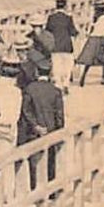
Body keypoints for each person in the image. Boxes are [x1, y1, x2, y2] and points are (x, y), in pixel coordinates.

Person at [19, 65, 66, 193]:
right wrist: (60, 131)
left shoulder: (30, 89)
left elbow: (25, 110)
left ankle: (34, 188)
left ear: (36, 72)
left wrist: (35, 126)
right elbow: (60, 114)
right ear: (50, 74)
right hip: (51, 130)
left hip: (34, 131)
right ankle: (51, 190)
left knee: (33, 161)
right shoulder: (56, 91)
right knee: (51, 159)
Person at [44, 0, 79, 87]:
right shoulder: (68, 18)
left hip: (55, 46)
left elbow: (47, 31)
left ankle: (58, 84)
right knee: (67, 67)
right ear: (65, 6)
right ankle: (66, 83)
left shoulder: (51, 18)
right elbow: (73, 32)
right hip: (67, 46)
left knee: (56, 66)